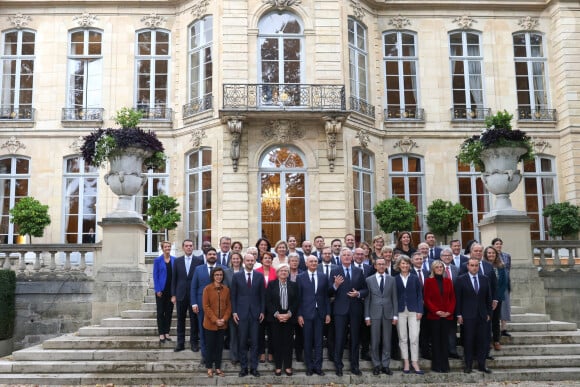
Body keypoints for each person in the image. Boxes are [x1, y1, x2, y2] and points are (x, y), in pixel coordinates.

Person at [329, 248, 368, 376]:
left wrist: (358, 294)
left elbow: (365, 289)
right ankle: (338, 366)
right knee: (339, 339)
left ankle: (354, 366)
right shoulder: (335, 271)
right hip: (340, 310)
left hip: (355, 310)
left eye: (348, 255)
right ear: (340, 257)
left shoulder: (358, 271)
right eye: (344, 255)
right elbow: (329, 292)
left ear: (352, 257)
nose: (346, 257)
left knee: (355, 339)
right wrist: (335, 285)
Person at [455, 258, 493, 374]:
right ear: (468, 266)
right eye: (472, 265)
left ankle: (482, 365)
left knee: (482, 341)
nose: (474, 267)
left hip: (482, 315)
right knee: (468, 341)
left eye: (476, 265)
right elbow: (458, 299)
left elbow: (488, 298)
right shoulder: (461, 280)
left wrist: (488, 313)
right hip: (467, 315)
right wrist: (459, 314)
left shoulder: (484, 279)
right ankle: (468, 366)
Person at [231, 253, 265, 377]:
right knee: (242, 342)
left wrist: (262, 311)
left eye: (252, 260)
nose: (250, 262)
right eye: (248, 260)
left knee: (255, 342)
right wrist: (234, 311)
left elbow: (262, 296)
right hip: (241, 314)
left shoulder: (259, 276)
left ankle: (254, 368)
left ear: (255, 261)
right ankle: (244, 368)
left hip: (256, 314)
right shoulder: (237, 276)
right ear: (243, 262)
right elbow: (233, 296)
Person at [297, 255, 330, 376]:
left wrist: (327, 313)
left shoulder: (323, 277)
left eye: (315, 261)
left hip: (320, 313)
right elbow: (298, 298)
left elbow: (326, 296)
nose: (313, 263)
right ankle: (309, 366)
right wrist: (299, 314)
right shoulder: (300, 277)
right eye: (311, 261)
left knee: (319, 341)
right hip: (306, 313)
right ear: (306, 263)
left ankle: (318, 366)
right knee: (307, 341)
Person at [364, 256, 398, 376]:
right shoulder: (369, 280)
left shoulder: (392, 279)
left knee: (387, 340)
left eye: (383, 264)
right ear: (375, 266)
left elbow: (394, 298)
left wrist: (395, 316)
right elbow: (367, 300)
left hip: (388, 314)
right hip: (374, 314)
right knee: (375, 340)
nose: (381, 266)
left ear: (386, 265)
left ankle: (385, 365)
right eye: (379, 264)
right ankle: (376, 365)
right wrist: (367, 316)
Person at [266, 264, 299, 376]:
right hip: (275, 318)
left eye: (286, 270)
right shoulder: (271, 284)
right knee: (276, 342)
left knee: (288, 343)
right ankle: (278, 366)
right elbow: (268, 301)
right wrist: (277, 314)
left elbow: (296, 301)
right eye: (282, 270)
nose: (284, 272)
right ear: (277, 273)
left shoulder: (293, 285)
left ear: (288, 273)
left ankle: (288, 366)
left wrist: (289, 314)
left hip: (289, 318)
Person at [191, 247, 223, 359]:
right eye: (210, 254)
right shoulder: (198, 269)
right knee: (203, 331)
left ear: (217, 256)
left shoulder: (223, 269)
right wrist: (194, 303)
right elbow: (193, 287)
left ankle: (216, 356)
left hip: (219, 306)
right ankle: (205, 356)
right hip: (201, 306)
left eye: (214, 254)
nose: (212, 256)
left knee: (217, 332)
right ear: (206, 256)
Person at [424, 260, 456, 373]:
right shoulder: (428, 281)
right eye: (437, 267)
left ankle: (445, 366)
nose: (439, 269)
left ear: (443, 269)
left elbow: (452, 298)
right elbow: (427, 299)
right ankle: (436, 366)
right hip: (434, 316)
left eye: (441, 267)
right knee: (436, 341)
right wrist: (436, 311)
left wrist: (449, 311)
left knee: (444, 341)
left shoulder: (448, 281)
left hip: (447, 316)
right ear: (433, 269)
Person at [171, 239, 202, 352]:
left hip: (194, 296)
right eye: (187, 246)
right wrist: (173, 294)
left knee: (194, 320)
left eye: (191, 246)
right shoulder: (177, 261)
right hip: (181, 295)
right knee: (180, 320)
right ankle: (180, 343)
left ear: (193, 247)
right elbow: (174, 279)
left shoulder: (198, 261)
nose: (189, 247)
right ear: (183, 247)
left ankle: (194, 343)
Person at [394, 255, 423, 374]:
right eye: (402, 264)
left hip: (413, 310)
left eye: (406, 263)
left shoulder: (415, 278)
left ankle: (415, 362)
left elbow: (419, 295)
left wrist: (420, 310)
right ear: (399, 265)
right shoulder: (394, 279)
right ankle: (406, 361)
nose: (405, 266)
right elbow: (393, 297)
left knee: (414, 337)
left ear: (409, 265)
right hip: (400, 311)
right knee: (403, 337)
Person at [202, 267, 231, 378]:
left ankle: (218, 368)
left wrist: (224, 319)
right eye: (216, 275)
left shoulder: (226, 289)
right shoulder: (207, 289)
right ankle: (209, 367)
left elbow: (229, 306)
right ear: (213, 276)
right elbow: (206, 307)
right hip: (210, 324)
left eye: (220, 275)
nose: (219, 277)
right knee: (210, 346)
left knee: (219, 347)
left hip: (222, 324)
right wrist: (215, 320)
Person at [484, 245, 508, 350]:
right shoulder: (482, 265)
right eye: (489, 253)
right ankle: (487, 341)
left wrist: (496, 298)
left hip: (497, 298)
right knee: (486, 320)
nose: (491, 255)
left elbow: (503, 283)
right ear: (486, 254)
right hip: (484, 298)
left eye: (493, 253)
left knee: (495, 320)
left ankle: (496, 340)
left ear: (496, 254)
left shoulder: (501, 266)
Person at [440, 247, 461, 359]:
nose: (447, 257)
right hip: (440, 305)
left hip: (453, 304)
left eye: (449, 255)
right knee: (441, 329)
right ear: (441, 257)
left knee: (452, 329)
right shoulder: (436, 269)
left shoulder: (456, 269)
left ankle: (452, 350)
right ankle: (443, 350)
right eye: (445, 256)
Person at [256, 251, 277, 363]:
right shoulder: (256, 272)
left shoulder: (276, 272)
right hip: (259, 304)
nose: (268, 260)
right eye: (265, 258)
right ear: (261, 260)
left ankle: (272, 352)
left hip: (273, 305)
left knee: (272, 331)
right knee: (260, 330)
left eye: (270, 258)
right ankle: (262, 352)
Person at [153, 241, 175, 343]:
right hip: (161, 291)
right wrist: (157, 289)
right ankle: (161, 333)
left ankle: (167, 332)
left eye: (169, 246)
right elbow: (155, 276)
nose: (167, 248)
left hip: (171, 291)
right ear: (162, 248)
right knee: (161, 312)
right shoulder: (157, 260)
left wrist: (175, 293)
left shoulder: (175, 260)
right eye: (165, 247)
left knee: (169, 313)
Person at [492, 237, 512, 337]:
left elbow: (508, 270)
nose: (498, 245)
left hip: (505, 284)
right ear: (493, 245)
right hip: (494, 285)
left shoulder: (507, 256)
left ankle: (504, 328)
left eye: (500, 244)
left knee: (505, 307)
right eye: (496, 244)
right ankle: (494, 328)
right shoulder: (491, 255)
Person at [228, 251, 244, 365]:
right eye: (234, 258)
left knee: (243, 334)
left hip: (244, 306)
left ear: (241, 260)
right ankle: (234, 357)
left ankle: (243, 356)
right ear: (231, 260)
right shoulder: (226, 272)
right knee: (233, 334)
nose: (236, 260)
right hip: (231, 307)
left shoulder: (246, 271)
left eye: (238, 258)